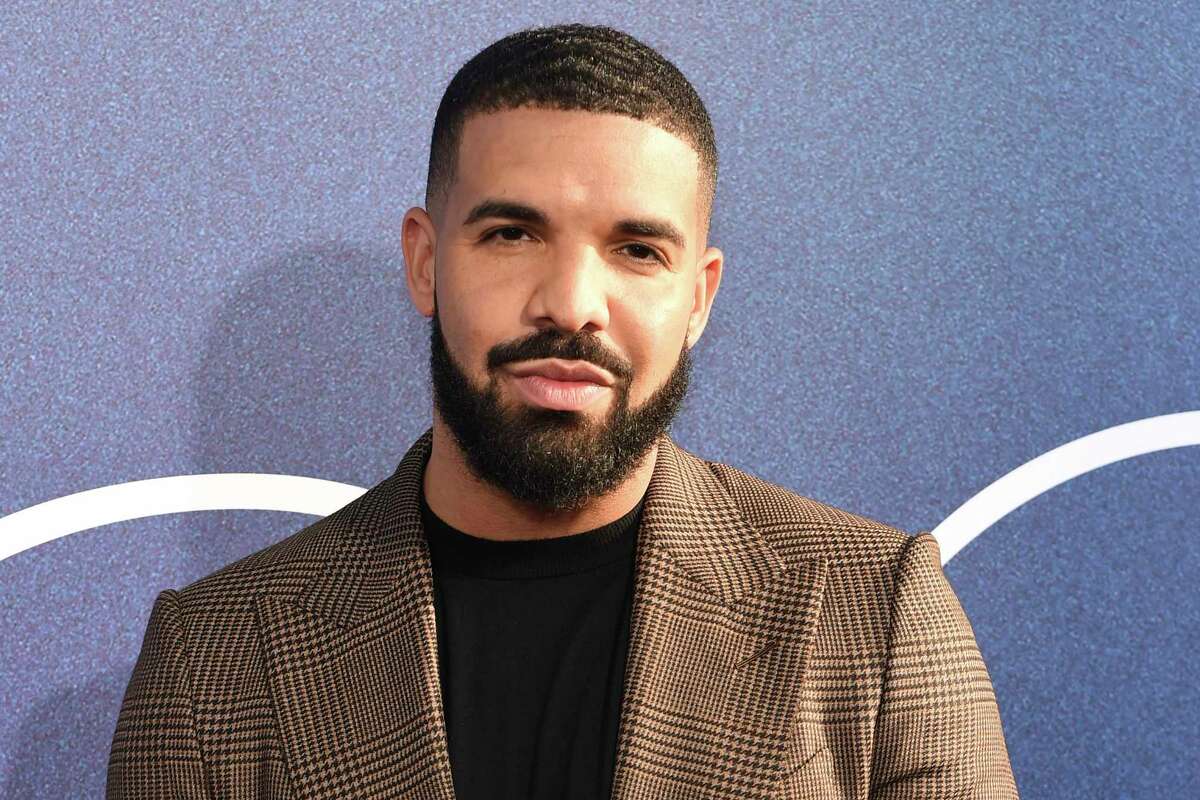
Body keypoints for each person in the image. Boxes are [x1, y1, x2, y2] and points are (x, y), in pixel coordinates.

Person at [107, 23, 1019, 800]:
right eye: (512, 234)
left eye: (637, 250)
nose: (572, 303)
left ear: (699, 298)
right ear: (426, 262)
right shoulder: (214, 662)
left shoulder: (878, 615)